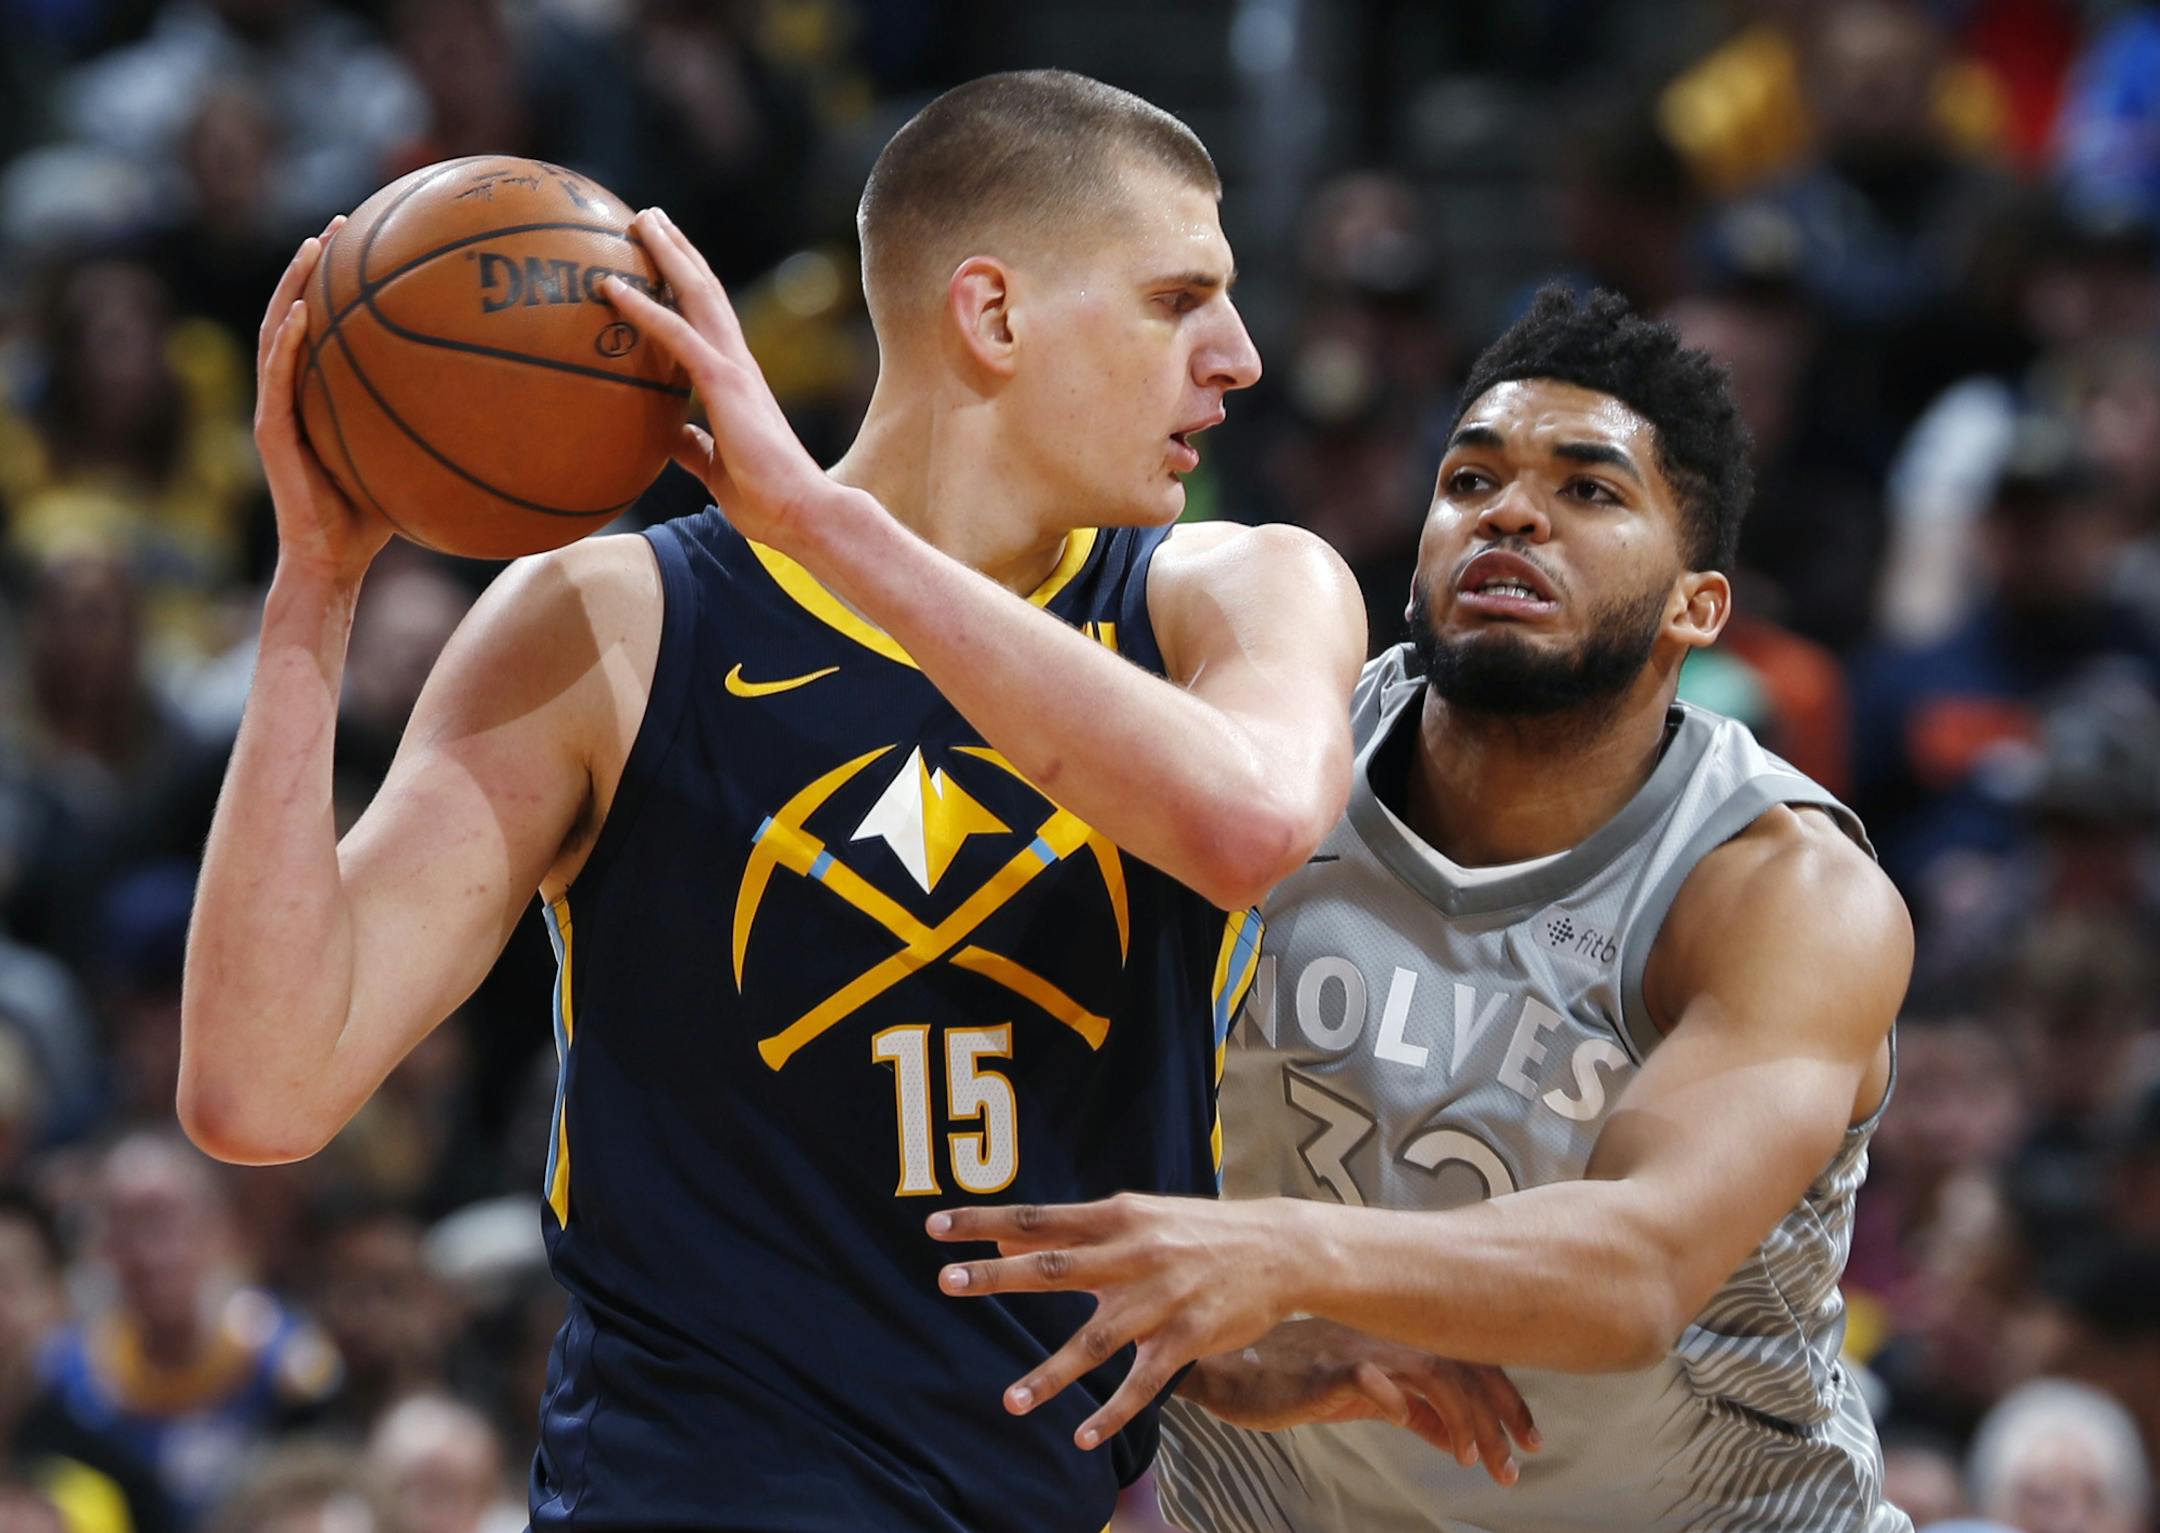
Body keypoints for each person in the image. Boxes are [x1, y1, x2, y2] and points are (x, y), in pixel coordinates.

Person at [180, 71, 1396, 1533]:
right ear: (995, 316)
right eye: (1179, 298)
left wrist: (830, 530)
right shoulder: (611, 626)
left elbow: (1251, 822)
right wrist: (312, 594)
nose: (1241, 356)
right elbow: (259, 1087)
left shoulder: (1239, 590)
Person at [927, 286, 1916, 1532]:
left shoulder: (1777, 887)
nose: (1511, 511)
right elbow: (984, 1085)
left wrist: (1283, 1259)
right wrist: (1223, 1352)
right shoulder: (1260, 770)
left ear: (1696, 607)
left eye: (1590, 492)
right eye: (1470, 481)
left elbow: (1639, 1267)